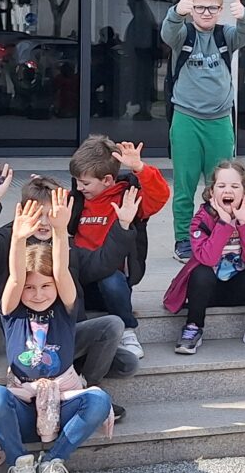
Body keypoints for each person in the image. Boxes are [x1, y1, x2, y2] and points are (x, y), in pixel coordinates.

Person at [0, 170, 141, 424]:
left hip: (65, 334)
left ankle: (84, 389)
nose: (45, 222)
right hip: (28, 340)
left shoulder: (67, 245)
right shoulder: (8, 241)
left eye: (52, 214)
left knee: (126, 361)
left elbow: (101, 262)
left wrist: (122, 225)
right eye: (39, 214)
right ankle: (67, 395)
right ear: (24, 212)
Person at [0, 193, 115, 473]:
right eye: (31, 287)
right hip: (22, 408)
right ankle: (19, 464)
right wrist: (18, 238)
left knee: (99, 400)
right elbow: (16, 277)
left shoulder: (64, 309)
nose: (38, 293)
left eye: (45, 286)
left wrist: (60, 231)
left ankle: (53, 461)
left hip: (61, 404)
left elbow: (62, 272)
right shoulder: (12, 310)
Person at [162, 0, 245, 262]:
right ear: (192, 9)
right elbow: (168, 32)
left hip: (220, 121)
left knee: (223, 184)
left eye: (212, 8)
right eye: (200, 7)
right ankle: (183, 238)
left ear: (220, 9)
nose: (206, 12)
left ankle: (220, 233)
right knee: (185, 186)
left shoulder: (225, 35)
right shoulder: (184, 34)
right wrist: (176, 12)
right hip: (186, 120)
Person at [69, 136, 170, 361]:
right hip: (80, 280)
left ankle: (126, 331)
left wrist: (140, 168)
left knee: (111, 279)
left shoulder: (128, 198)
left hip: (113, 284)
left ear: (107, 180)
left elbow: (159, 195)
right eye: (76, 181)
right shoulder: (77, 199)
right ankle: (76, 333)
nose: (79, 187)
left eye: (85, 183)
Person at [161, 160, 245, 355]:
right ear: (212, 192)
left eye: (235, 186)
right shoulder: (201, 219)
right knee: (201, 272)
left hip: (238, 289)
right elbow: (207, 258)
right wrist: (224, 223)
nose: (228, 190)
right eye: (221, 186)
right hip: (207, 290)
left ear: (244, 192)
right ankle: (193, 326)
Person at [124, 0, 161, 121]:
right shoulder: (139, 21)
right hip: (138, 58)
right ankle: (142, 108)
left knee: (143, 84)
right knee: (140, 83)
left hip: (142, 59)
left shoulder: (143, 22)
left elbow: (143, 42)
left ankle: (144, 108)